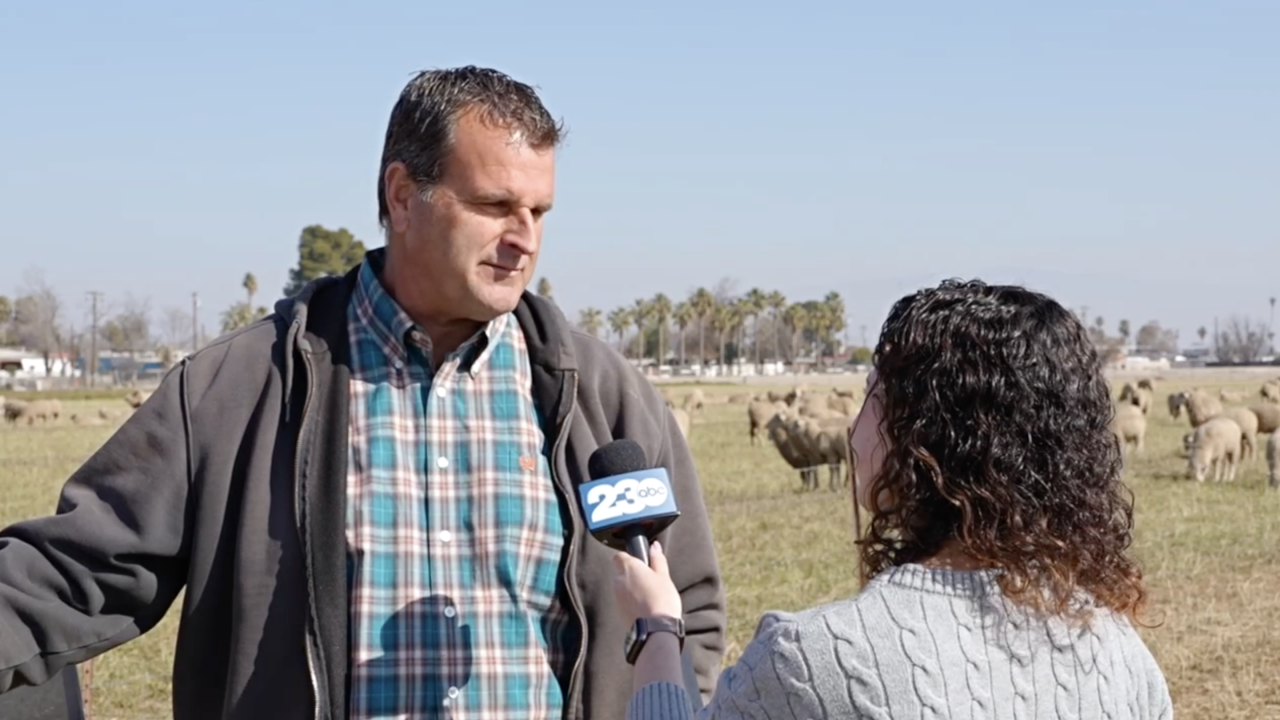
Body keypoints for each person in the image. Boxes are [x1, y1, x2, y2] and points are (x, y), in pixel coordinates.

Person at [0, 66, 726, 720]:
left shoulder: (603, 399)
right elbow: (68, 574)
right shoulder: (237, 391)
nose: (524, 239)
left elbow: (686, 606)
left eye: (539, 213)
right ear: (403, 197)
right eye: (496, 205)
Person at [614, 279, 1174, 719]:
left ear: (917, 441)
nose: (854, 429)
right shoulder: (1123, 657)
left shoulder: (812, 659)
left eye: (871, 400)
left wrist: (657, 629)